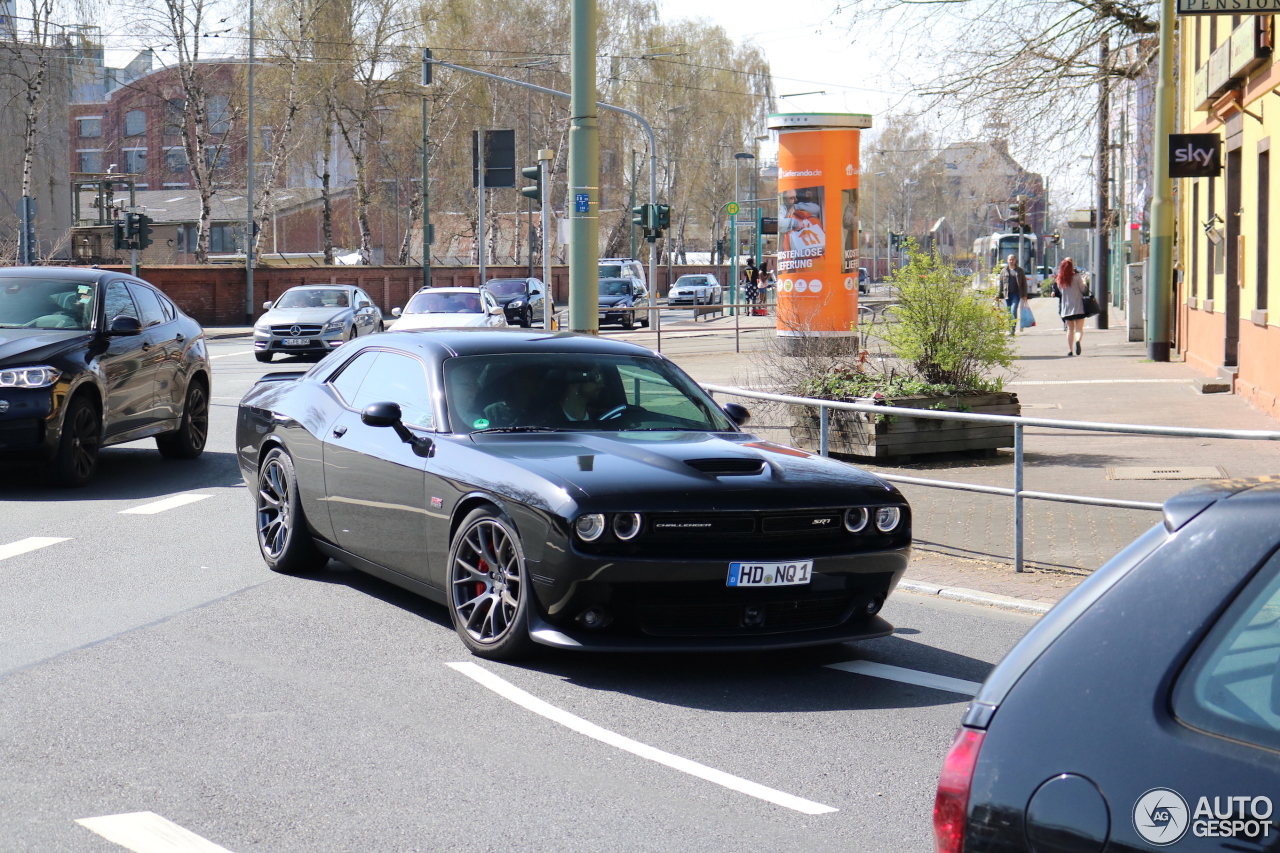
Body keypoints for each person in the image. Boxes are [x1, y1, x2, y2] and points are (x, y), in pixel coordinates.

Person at [1056, 257, 1087, 356]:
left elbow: (1061, 291)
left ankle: (1070, 350)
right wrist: (1084, 282)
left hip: (1067, 307)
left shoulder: (1060, 279)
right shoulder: (1077, 277)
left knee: (1070, 329)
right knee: (1079, 329)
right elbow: (1083, 290)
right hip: (1079, 306)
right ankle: (1078, 341)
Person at [998, 254, 1029, 336]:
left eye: (1013, 259)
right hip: (1007, 294)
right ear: (1007, 260)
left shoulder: (1020, 270)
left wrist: (1025, 295)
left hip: (1016, 294)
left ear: (1015, 260)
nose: (1011, 261)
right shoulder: (1004, 271)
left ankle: (1012, 329)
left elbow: (1024, 283)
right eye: (1010, 259)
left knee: (1013, 310)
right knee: (1008, 312)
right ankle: (1009, 328)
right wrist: (998, 294)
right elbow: (1001, 283)